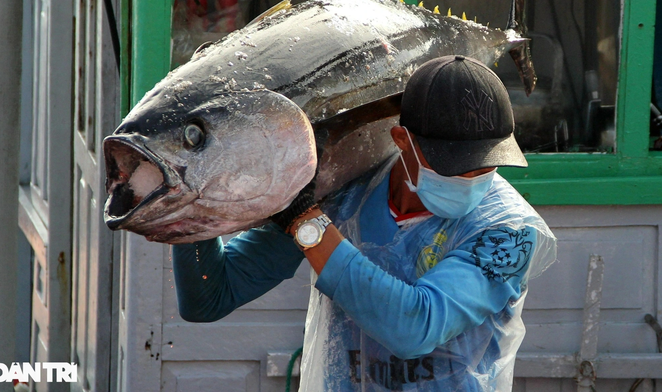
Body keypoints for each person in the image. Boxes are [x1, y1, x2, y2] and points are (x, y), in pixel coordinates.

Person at [172, 55, 557, 391]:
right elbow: (208, 297)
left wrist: (307, 224)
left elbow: (415, 327)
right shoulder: (346, 194)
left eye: (486, 163)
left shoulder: (508, 231)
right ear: (402, 140)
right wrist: (188, 187)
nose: (472, 177)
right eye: (455, 163)